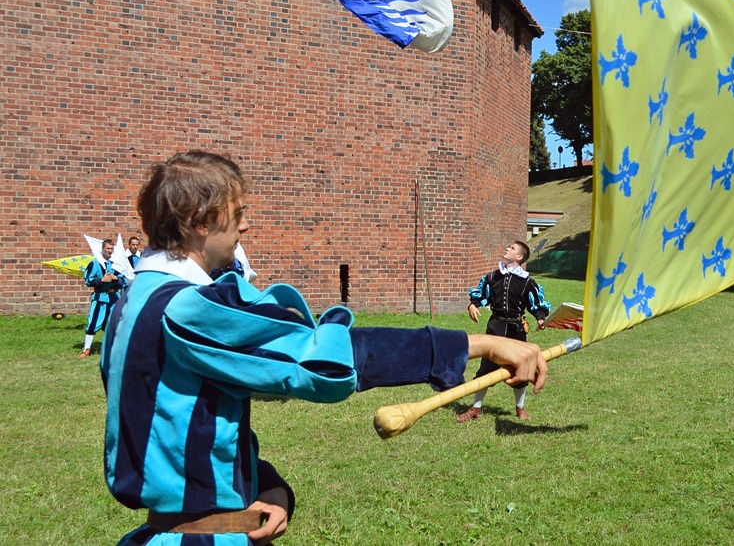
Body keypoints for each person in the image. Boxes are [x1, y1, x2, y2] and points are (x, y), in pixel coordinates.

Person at [99, 151, 547, 545]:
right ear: (200, 222)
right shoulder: (187, 310)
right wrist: (482, 343)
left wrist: (267, 483)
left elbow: (189, 423)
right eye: (236, 214)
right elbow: (327, 360)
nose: (246, 225)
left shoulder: (132, 302)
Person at [457, 240, 551, 422]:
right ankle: (476, 408)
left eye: (513, 248)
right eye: (508, 246)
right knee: (485, 369)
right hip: (495, 328)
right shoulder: (493, 276)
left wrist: (540, 317)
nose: (507, 248)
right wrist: (473, 304)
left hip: (516, 330)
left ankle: (520, 408)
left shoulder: (527, 282)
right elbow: (481, 295)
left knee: (521, 369)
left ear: (520, 257)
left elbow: (536, 303)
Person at [80, 238, 126, 359]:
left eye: (112, 249)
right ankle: (87, 348)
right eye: (107, 249)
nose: (110, 251)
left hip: (114, 298)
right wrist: (101, 280)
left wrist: (117, 279)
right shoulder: (95, 263)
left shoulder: (117, 264)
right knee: (94, 321)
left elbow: (124, 280)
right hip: (100, 297)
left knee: (114, 323)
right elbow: (88, 281)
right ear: (102, 249)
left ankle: (112, 349)